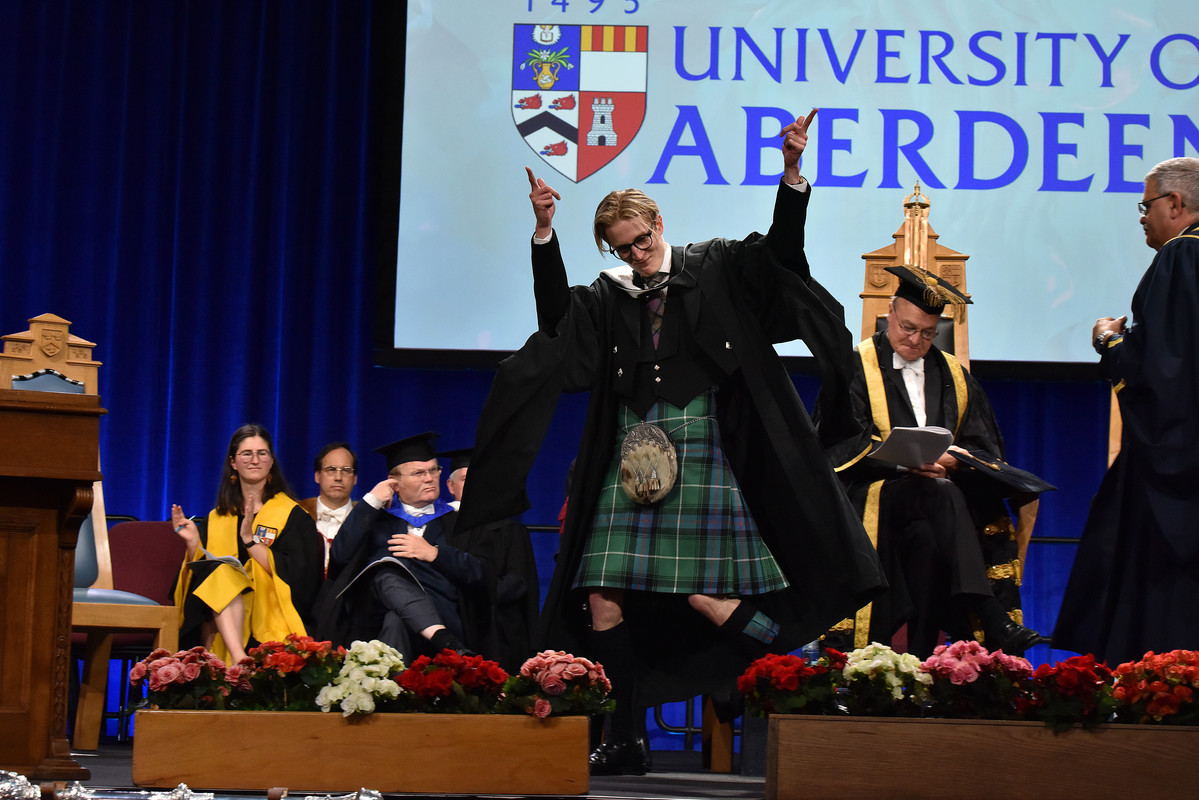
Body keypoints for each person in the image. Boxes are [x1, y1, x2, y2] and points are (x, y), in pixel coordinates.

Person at [457, 108, 885, 775]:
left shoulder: (716, 265)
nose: (635, 254)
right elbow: (556, 324)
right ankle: (625, 738)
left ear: (657, 223)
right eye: (622, 248)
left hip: (702, 447)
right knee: (601, 596)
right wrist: (544, 233)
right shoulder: (609, 296)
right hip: (630, 457)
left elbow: (781, 254)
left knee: (706, 598)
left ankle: (784, 666)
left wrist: (791, 174)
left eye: (640, 240)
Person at [821, 266, 1046, 658]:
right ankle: (991, 614)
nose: (916, 340)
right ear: (890, 312)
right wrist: (903, 463)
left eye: (927, 333)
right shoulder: (854, 367)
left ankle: (921, 661)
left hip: (937, 506)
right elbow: (838, 441)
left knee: (928, 535)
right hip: (875, 498)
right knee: (939, 494)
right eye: (908, 328)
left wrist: (955, 461)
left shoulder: (955, 375)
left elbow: (983, 445)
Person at [1054, 156, 1199, 666]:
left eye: (1146, 205)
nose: (1142, 217)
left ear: (1175, 203)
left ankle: (1158, 687)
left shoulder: (1181, 257)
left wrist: (1110, 340)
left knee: (1157, 606)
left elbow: (1161, 374)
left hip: (1176, 461)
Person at [171, 423, 325, 664]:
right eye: (247, 453)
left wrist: (250, 542)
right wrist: (193, 544)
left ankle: (237, 660)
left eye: (262, 453)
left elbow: (300, 578)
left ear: (271, 461)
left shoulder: (293, 516)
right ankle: (239, 659)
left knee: (224, 576)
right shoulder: (217, 517)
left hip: (267, 610)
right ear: (233, 462)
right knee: (220, 574)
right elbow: (200, 578)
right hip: (218, 611)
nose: (255, 460)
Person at [319, 432, 481, 659]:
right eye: (418, 473)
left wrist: (434, 554)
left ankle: (395, 681)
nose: (429, 478)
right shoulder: (378, 520)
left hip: (443, 616)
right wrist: (371, 501)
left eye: (434, 470)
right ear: (394, 482)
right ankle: (443, 642)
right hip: (375, 621)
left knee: (395, 619)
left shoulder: (457, 521)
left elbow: (479, 573)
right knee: (386, 574)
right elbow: (340, 555)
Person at [438, 446, 540, 672]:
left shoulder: (509, 530)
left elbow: (519, 581)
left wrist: (480, 597)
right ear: (450, 486)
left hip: (498, 628)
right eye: (466, 479)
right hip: (449, 623)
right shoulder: (438, 526)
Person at [298, 441, 359, 570]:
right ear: (317, 476)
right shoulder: (296, 515)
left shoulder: (367, 521)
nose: (338, 477)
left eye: (346, 470)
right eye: (331, 469)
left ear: (355, 479)